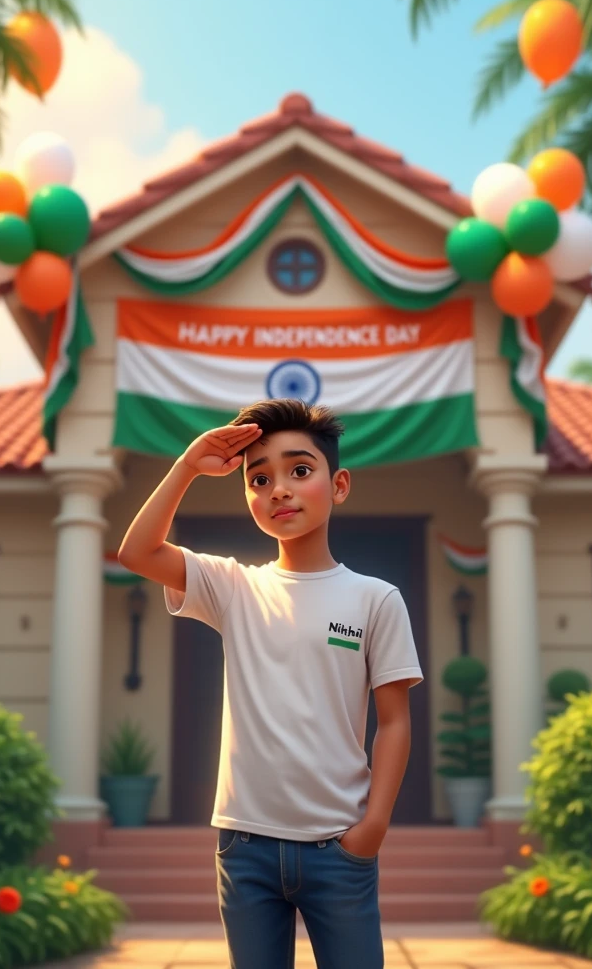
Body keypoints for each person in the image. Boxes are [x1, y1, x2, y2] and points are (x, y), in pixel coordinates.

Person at [118, 397, 424, 969]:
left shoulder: (376, 598)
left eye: (299, 470)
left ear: (339, 486)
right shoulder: (233, 586)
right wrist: (186, 465)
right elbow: (137, 551)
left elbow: (396, 720)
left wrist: (373, 828)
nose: (279, 489)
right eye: (259, 478)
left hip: (341, 847)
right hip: (245, 847)